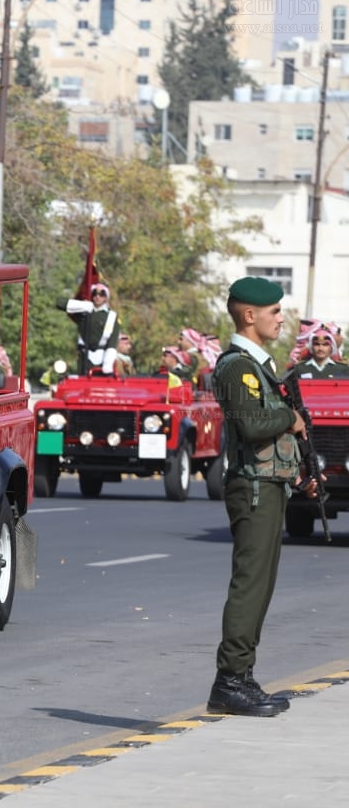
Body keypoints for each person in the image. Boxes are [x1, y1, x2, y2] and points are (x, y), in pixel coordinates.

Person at [207, 276, 314, 717]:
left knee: (261, 585)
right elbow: (251, 425)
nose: (281, 317)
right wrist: (289, 417)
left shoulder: (258, 366)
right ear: (249, 316)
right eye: (274, 312)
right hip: (250, 488)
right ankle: (229, 682)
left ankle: (242, 677)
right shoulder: (236, 367)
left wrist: (296, 472)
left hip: (267, 485)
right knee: (250, 585)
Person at [56, 284, 121, 374]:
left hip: (102, 358)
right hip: (83, 358)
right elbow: (59, 303)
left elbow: (112, 343)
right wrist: (81, 305)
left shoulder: (111, 316)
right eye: (94, 293)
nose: (97, 297)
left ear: (106, 298)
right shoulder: (84, 311)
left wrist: (108, 364)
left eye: (102, 294)